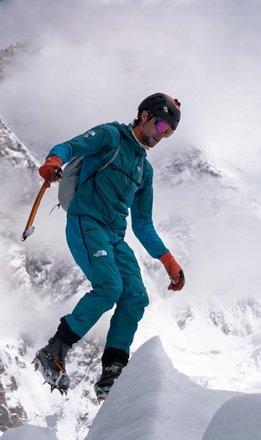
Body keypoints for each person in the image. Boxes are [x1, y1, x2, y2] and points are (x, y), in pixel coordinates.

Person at [33, 93, 186, 402]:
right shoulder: (110, 136)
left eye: (168, 131)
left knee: (136, 297)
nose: (161, 134)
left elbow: (142, 223)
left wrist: (167, 260)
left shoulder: (145, 170)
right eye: (159, 124)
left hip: (114, 237)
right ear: (143, 115)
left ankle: (112, 374)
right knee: (109, 287)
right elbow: (71, 146)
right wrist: (54, 160)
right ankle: (54, 351)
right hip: (86, 223)